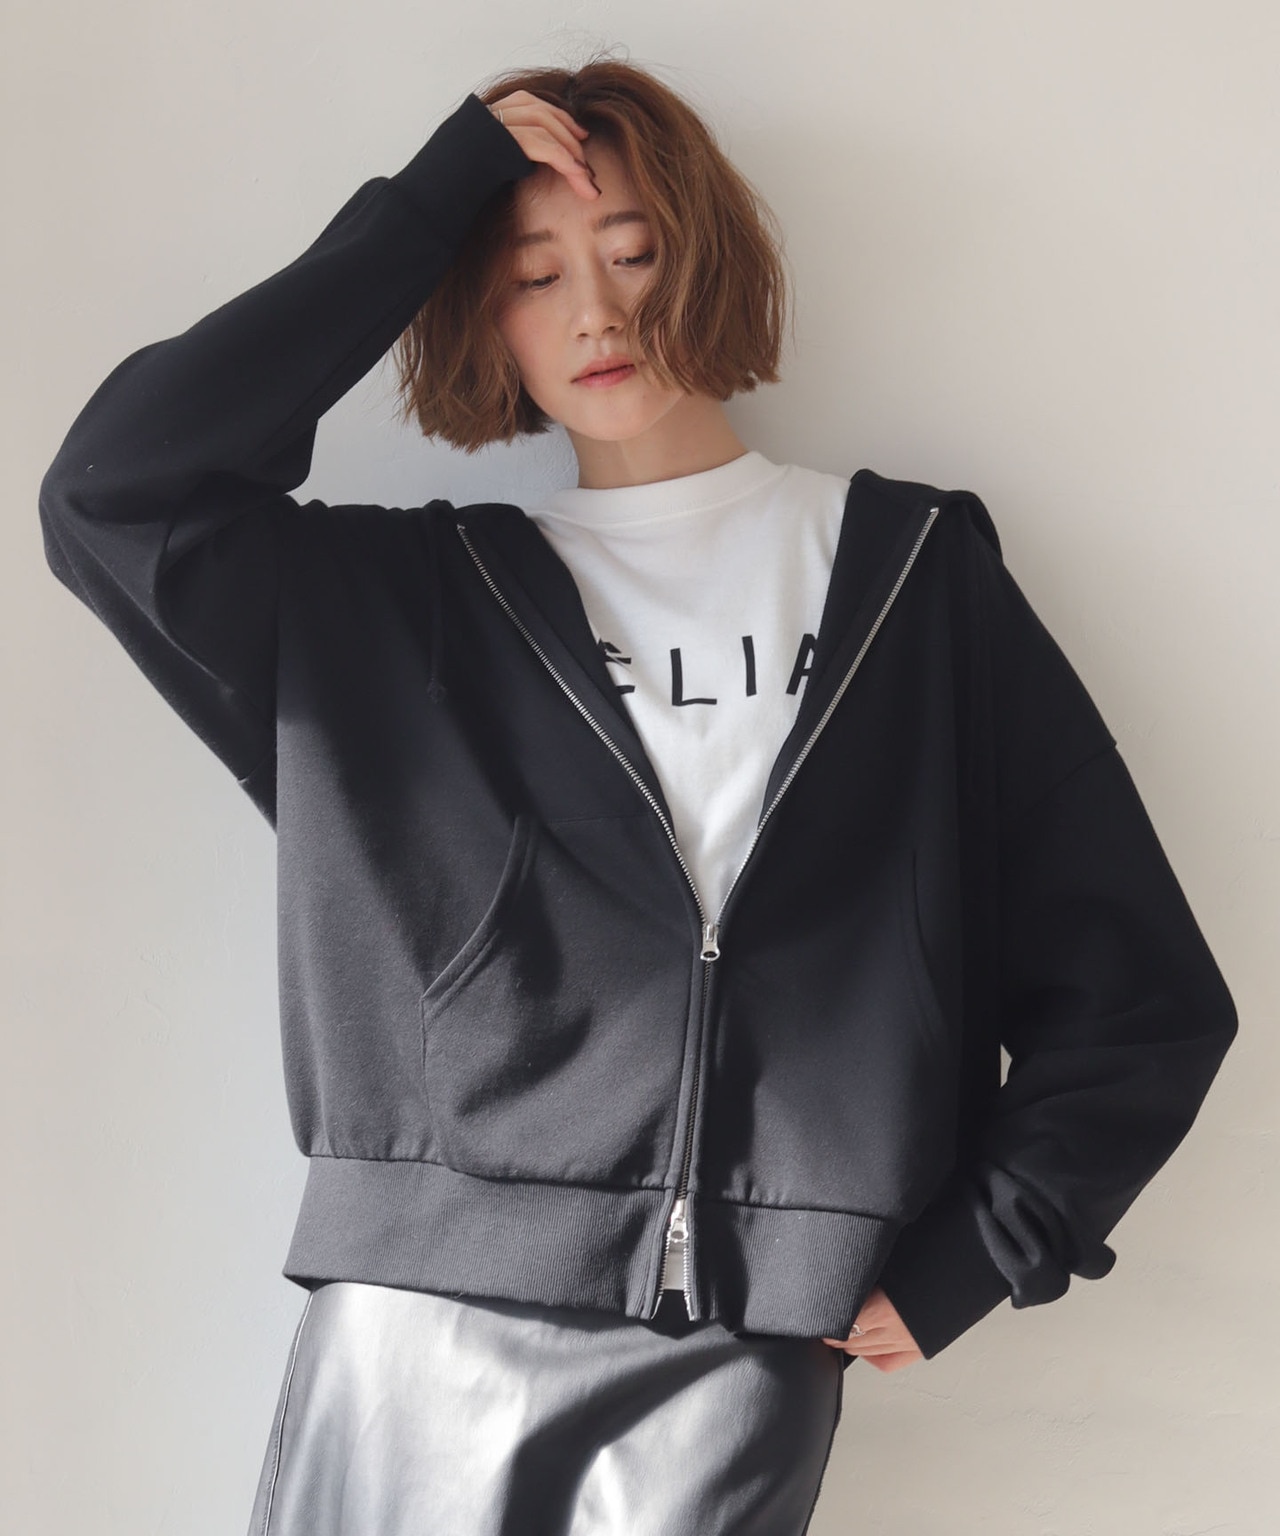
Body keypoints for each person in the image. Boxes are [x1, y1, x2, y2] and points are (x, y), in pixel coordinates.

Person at [38, 53, 1237, 1536]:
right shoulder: (405, 610)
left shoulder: (915, 582)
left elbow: (1144, 996)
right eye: (533, 276)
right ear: (486, 318)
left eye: (636, 253)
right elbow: (113, 492)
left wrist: (979, 1254)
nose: (595, 313)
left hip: (745, 1346)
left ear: (707, 261)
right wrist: (428, 209)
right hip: (413, 1329)